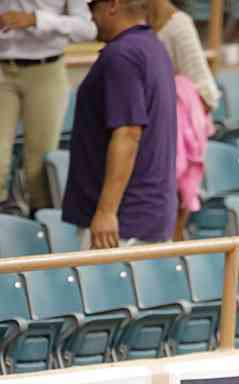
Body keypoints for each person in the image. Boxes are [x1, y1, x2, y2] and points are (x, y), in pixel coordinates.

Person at [62, 0, 177, 249]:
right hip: (147, 215)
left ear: (112, 5)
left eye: (93, 7)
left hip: (121, 224)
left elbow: (128, 133)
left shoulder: (121, 55)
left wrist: (106, 211)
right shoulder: (152, 46)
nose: (90, 16)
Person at [0, 0, 96, 214]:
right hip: (2, 68)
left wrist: (37, 20)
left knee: (40, 166)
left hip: (46, 68)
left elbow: (87, 29)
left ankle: (41, 223)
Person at [147, 0, 221, 240]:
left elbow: (207, 94)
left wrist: (174, 101)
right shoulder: (130, 21)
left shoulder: (178, 25)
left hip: (172, 141)